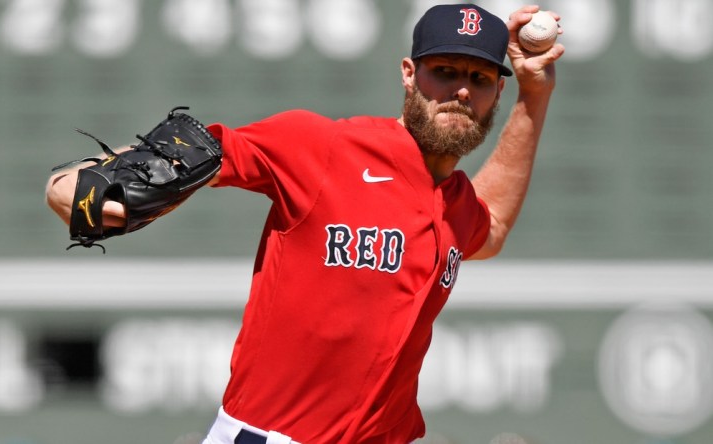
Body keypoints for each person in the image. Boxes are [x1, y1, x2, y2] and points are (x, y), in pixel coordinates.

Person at [46, 3, 563, 443]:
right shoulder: (324, 147)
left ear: (497, 90)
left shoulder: (455, 202)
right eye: (444, 71)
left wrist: (534, 97)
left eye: (478, 78)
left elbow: (490, 224)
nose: (460, 91)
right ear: (410, 74)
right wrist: (74, 184)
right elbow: (197, 156)